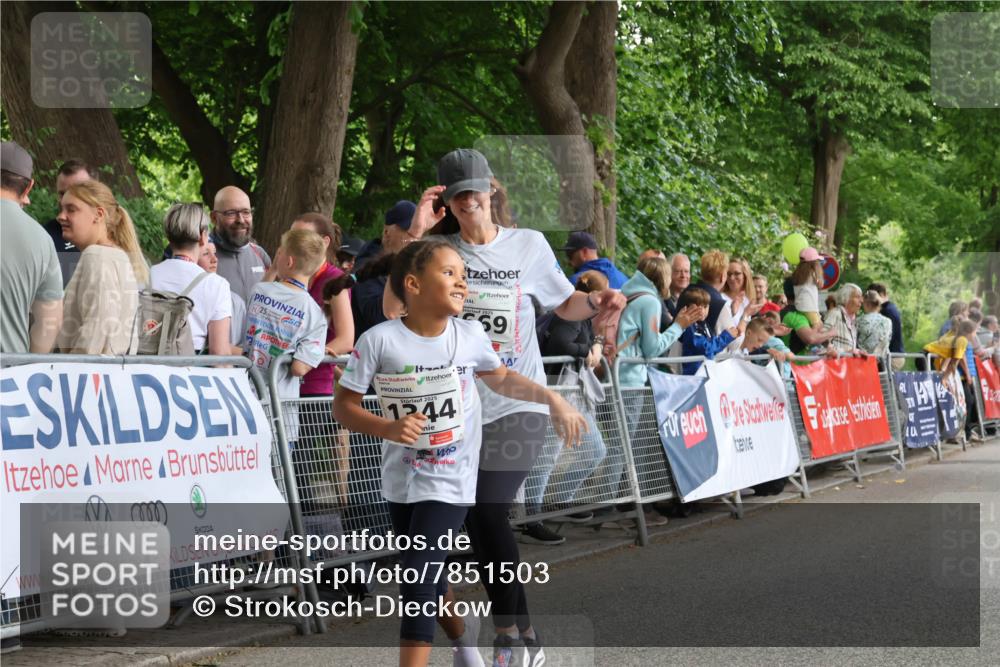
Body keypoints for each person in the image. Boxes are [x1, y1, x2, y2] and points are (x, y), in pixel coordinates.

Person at [333, 239, 586, 667]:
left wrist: (552, 399)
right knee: (429, 580)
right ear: (413, 284)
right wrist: (389, 428)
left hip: (452, 477)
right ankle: (464, 642)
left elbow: (503, 379)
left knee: (415, 578)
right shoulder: (379, 341)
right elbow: (344, 407)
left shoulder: (469, 336)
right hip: (401, 478)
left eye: (463, 276)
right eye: (449, 273)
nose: (461, 282)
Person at [423, 148, 624, 665]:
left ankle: (514, 636)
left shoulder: (527, 245)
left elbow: (564, 303)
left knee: (489, 509)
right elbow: (394, 306)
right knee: (472, 520)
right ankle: (520, 635)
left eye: (475, 191)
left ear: (491, 190)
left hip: (523, 399)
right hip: (461, 405)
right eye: (457, 195)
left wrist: (597, 302)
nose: (469, 202)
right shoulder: (437, 251)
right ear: (446, 201)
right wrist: (418, 232)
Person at [528, 271, 611, 537]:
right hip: (559, 390)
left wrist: (595, 344)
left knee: (595, 449)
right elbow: (560, 344)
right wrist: (586, 352)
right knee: (547, 456)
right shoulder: (571, 314)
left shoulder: (585, 316)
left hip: (572, 393)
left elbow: (587, 339)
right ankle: (531, 518)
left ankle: (561, 501)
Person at [289, 213, 355, 512]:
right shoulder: (290, 276)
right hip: (286, 385)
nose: (292, 245)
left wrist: (306, 357)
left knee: (300, 466)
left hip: (315, 387)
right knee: (286, 464)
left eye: (299, 238)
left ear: (324, 243)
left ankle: (305, 546)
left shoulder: (333, 280)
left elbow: (345, 339)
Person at [245, 229, 327, 446]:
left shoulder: (259, 291)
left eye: (279, 253)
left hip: (246, 402)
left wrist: (273, 270)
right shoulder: (313, 312)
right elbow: (299, 368)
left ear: (288, 261)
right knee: (280, 479)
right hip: (280, 413)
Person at [55, 181, 147, 354]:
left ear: (98, 214)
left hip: (88, 375)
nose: (61, 216)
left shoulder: (97, 256)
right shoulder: (118, 256)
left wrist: (69, 367)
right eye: (61, 209)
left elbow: (99, 327)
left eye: (71, 209)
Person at [0, 141, 63, 354]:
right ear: (29, 187)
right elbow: (49, 322)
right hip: (9, 374)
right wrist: (30, 364)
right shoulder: (43, 241)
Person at [149, 203, 232, 355]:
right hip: (191, 368)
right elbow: (220, 354)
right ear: (202, 237)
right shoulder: (217, 285)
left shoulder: (146, 274)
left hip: (145, 365)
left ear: (168, 236)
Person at [351, 200, 420, 340]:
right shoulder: (367, 267)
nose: (414, 238)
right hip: (371, 353)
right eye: (409, 231)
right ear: (387, 232)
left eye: (418, 232)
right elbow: (377, 317)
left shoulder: (416, 266)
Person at [210, 186, 271, 303]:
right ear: (214, 218)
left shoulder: (260, 254)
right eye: (231, 213)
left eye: (246, 212)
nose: (241, 220)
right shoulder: (201, 256)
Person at [43, 159, 97, 286]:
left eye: (75, 192)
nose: (66, 199)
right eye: (62, 193)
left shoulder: (113, 234)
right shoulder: (45, 236)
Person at [677, 287, 747, 375]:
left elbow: (713, 347)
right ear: (687, 307)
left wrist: (732, 334)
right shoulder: (689, 327)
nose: (702, 310)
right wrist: (727, 336)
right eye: (698, 306)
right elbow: (706, 349)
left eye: (705, 306)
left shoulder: (704, 324)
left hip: (706, 372)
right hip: (695, 376)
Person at [198, 241, 245, 352]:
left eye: (215, 253)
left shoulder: (235, 301)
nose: (215, 259)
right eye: (205, 254)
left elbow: (242, 346)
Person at [564, 231, 628, 289]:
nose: (569, 262)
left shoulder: (577, 281)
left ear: (584, 252)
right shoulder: (624, 279)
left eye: (570, 255)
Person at [692, 249, 735, 335]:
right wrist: (745, 317)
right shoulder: (719, 304)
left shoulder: (687, 291)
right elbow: (734, 343)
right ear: (723, 276)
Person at [822, 283, 864, 356]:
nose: (861, 301)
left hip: (846, 365)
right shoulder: (835, 314)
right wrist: (845, 352)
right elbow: (822, 341)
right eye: (857, 297)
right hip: (834, 365)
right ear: (846, 298)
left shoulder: (853, 320)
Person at [867, 283, 904, 359]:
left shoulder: (886, 311)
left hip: (892, 356)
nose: (870, 301)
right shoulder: (890, 308)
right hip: (895, 353)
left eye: (872, 297)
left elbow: (886, 337)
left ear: (881, 294)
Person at [792, 247, 825, 327]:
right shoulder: (813, 273)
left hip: (799, 306)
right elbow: (820, 284)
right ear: (813, 262)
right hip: (810, 307)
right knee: (818, 328)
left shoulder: (798, 274)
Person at [856, 289, 892, 358]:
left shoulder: (860, 320)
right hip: (880, 362)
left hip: (861, 360)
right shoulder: (888, 321)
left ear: (867, 304)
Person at [721, 257, 757, 323]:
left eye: (737, 273)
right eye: (728, 274)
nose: (732, 278)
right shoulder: (721, 298)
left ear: (745, 275)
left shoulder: (748, 300)